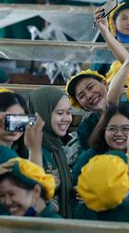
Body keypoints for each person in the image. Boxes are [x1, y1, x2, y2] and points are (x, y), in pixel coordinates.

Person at [28, 87, 73, 218]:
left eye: (68, 112)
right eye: (60, 113)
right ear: (42, 114)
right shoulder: (32, 149)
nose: (66, 119)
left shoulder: (56, 146)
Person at [71, 103, 129, 184]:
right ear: (103, 131)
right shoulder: (88, 158)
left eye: (125, 128)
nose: (119, 134)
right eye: (112, 129)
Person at [66, 70, 108, 153]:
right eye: (81, 96)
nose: (88, 96)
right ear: (82, 106)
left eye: (90, 87)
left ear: (104, 83)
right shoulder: (84, 130)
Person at [0, 90, 44, 166]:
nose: (15, 124)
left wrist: (34, 149)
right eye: (9, 118)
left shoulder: (23, 153)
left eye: (20, 118)